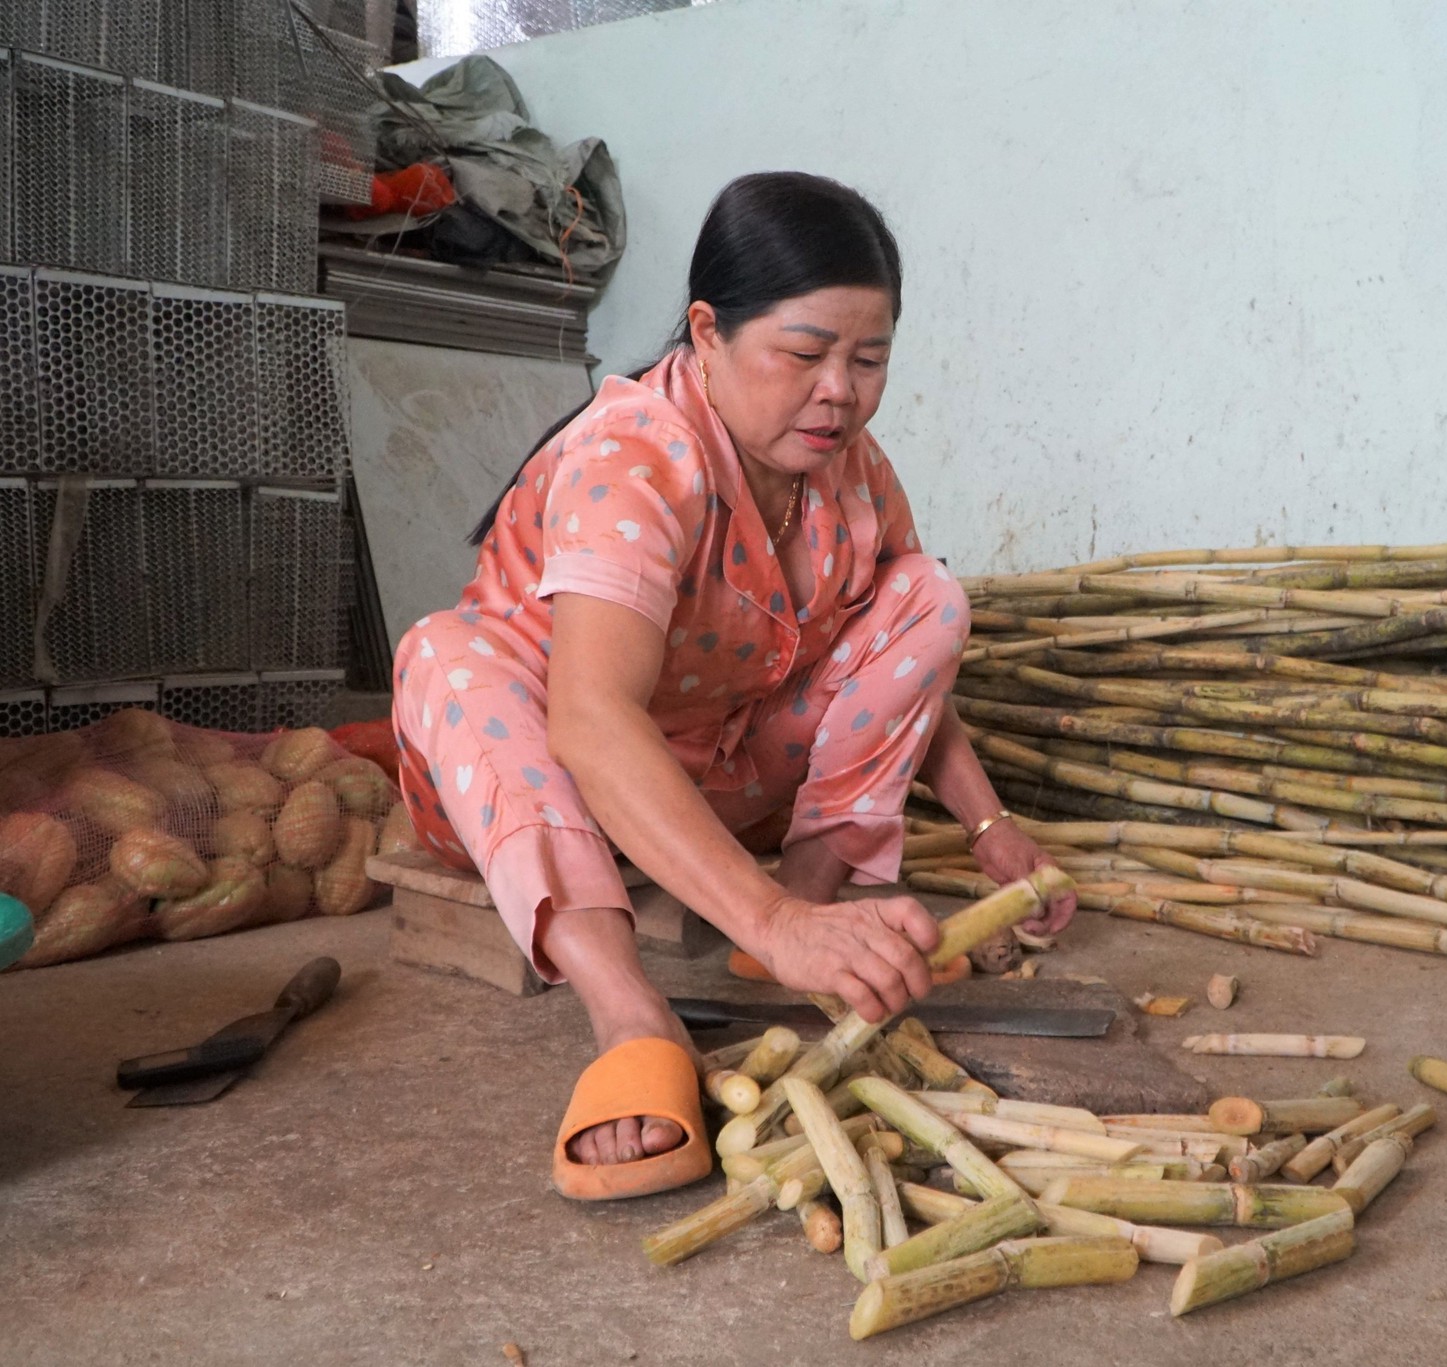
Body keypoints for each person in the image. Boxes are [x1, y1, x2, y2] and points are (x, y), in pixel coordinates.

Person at [390, 172, 1075, 1200]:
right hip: (538, 785)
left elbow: (905, 662)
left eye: (868, 358)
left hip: (710, 785)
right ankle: (628, 1009)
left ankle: (810, 893)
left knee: (924, 592)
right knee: (447, 650)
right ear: (706, 333)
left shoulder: (851, 471)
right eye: (802, 354)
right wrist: (764, 921)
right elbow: (587, 717)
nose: (837, 390)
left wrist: (990, 829)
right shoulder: (633, 457)